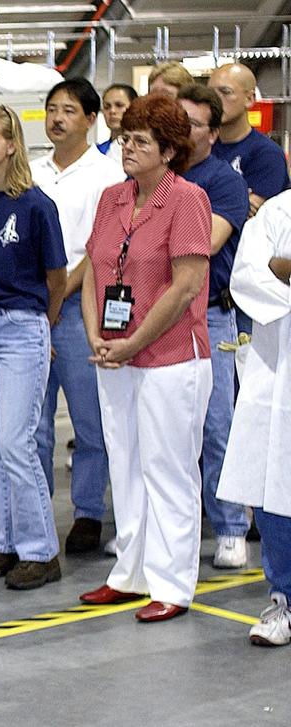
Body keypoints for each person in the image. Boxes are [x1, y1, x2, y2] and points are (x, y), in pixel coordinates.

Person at [77, 94, 213, 623]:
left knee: (168, 469)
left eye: (139, 141)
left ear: (169, 150)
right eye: (124, 139)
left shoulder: (189, 200)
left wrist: (134, 343)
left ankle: (173, 584)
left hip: (172, 357)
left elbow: (184, 288)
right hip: (114, 354)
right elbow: (93, 269)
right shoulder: (112, 197)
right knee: (126, 464)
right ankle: (129, 573)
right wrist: (96, 334)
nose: (127, 148)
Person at [0, 105, 67, 590]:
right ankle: (3, 542)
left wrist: (43, 326)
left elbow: (56, 275)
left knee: (17, 443)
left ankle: (40, 550)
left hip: (21, 326)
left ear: (11, 145)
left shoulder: (37, 206)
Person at [30, 78, 125, 554]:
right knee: (34, 423)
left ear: (91, 119)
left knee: (89, 422)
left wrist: (57, 294)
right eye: (51, 109)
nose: (57, 119)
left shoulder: (107, 177)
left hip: (75, 308)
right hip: (31, 312)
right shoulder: (29, 172)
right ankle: (35, 513)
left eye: (68, 110)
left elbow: (99, 249)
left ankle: (87, 512)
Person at [177, 84, 251, 568]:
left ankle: (229, 527)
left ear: (213, 132)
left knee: (216, 425)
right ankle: (172, 529)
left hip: (211, 314)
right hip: (156, 314)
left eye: (192, 124)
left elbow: (202, 244)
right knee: (165, 431)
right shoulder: (157, 175)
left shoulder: (221, 182)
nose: (181, 131)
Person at [217, 189, 291, 646]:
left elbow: (272, 271)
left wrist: (283, 267)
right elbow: (246, 278)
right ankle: (284, 597)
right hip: (278, 371)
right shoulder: (278, 212)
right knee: (276, 486)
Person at [208, 63, 290, 220]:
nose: (216, 100)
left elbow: (251, 213)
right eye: (211, 94)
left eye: (226, 92)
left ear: (249, 99)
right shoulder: (201, 148)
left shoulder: (267, 154)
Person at [97, 83, 137, 163]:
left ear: (134, 107)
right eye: (107, 107)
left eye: (119, 105)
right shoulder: (96, 153)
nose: (112, 111)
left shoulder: (143, 150)